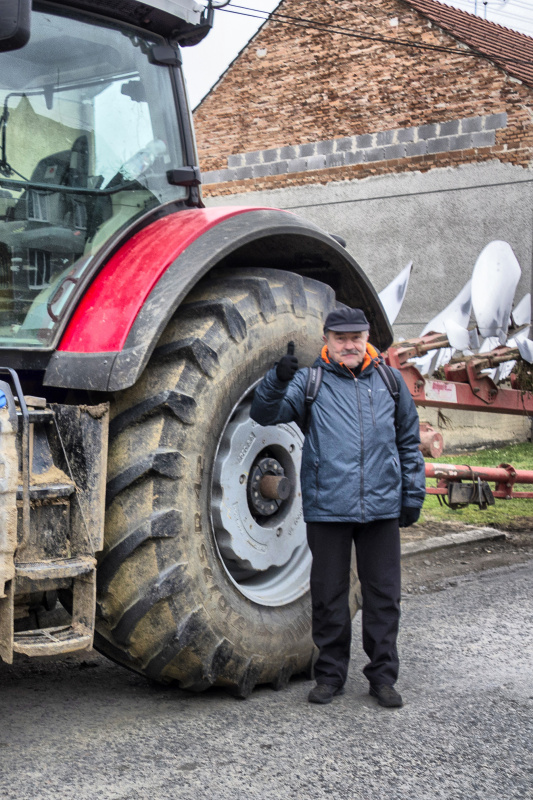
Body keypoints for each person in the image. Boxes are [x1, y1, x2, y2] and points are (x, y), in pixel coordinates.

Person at [250, 307, 426, 707]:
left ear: (366, 337)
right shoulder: (308, 382)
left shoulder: (389, 381)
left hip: (381, 508)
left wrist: (412, 494)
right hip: (328, 507)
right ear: (326, 338)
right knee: (329, 596)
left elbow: (408, 444)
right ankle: (330, 676)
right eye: (341, 338)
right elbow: (265, 415)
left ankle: (383, 678)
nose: (350, 345)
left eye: (356, 337)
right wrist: (277, 380)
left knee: (384, 597)